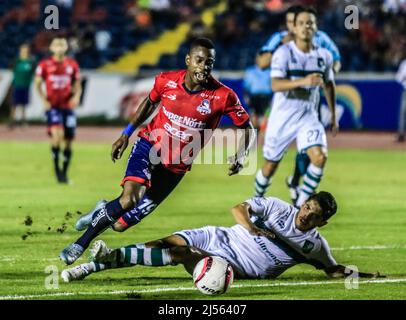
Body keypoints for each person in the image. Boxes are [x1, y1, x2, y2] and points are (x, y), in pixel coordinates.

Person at [59, 37, 255, 266]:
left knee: (120, 224)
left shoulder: (223, 96)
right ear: (188, 60)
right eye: (199, 60)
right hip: (149, 147)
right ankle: (79, 244)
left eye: (209, 62)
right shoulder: (166, 81)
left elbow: (247, 127)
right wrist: (126, 134)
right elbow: (149, 103)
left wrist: (242, 155)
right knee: (129, 200)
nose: (204, 66)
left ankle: (100, 211)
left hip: (176, 167)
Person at [61, 191, 383, 282]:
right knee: (166, 242)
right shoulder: (275, 207)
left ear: (322, 223)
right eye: (308, 205)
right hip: (221, 236)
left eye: (315, 214)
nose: (306, 213)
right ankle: (96, 265)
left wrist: (365, 275)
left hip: (231, 264)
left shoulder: (315, 245)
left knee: (182, 255)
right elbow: (238, 207)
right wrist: (251, 226)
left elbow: (333, 269)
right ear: (303, 202)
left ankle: (96, 264)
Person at [253, 7, 338, 207]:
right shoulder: (282, 52)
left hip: (308, 116)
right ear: (294, 27)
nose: (306, 27)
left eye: (311, 23)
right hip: (282, 116)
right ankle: (256, 203)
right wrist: (303, 81)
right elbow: (275, 85)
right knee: (270, 166)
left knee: (319, 157)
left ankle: (299, 206)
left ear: (316, 27)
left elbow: (329, 84)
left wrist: (333, 115)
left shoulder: (324, 55)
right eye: (302, 23)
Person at [34, 36, 82, 184]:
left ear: (66, 47)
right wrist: (44, 99)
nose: (60, 47)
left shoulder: (72, 64)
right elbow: (37, 83)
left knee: (68, 141)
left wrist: (77, 97)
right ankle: (57, 171)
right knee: (57, 136)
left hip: (68, 107)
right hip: (53, 107)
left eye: (62, 44)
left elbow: (78, 84)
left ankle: (64, 173)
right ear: (51, 48)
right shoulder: (44, 64)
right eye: (57, 45)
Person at [243, 52, 272, 143]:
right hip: (254, 98)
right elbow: (246, 87)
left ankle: (263, 142)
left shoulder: (270, 72)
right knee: (254, 120)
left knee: (264, 121)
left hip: (266, 98)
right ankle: (251, 141)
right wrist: (246, 98)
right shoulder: (250, 71)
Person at [9, 44, 35, 129]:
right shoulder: (16, 60)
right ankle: (12, 121)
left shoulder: (30, 61)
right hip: (17, 85)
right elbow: (11, 69)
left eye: (26, 49)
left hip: (26, 86)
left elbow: (33, 72)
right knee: (14, 104)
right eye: (23, 49)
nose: (25, 51)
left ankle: (23, 122)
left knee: (24, 105)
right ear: (20, 50)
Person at [396, 57, 406, 142]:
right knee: (402, 113)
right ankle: (401, 135)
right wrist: (403, 78)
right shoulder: (404, 63)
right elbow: (398, 77)